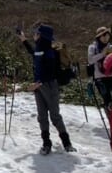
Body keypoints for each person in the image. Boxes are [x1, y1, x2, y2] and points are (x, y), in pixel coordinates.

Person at [19, 23, 75, 155]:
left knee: (54, 116)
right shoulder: (40, 48)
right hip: (40, 86)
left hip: (49, 86)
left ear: (41, 35)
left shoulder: (49, 51)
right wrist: (24, 40)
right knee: (42, 116)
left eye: (36, 33)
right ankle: (46, 143)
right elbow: (33, 53)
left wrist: (36, 85)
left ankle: (67, 143)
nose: (34, 35)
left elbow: (49, 72)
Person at [88, 26, 112, 105]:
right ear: (98, 37)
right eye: (102, 35)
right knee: (107, 99)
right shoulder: (92, 47)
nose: (105, 37)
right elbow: (90, 60)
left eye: (107, 35)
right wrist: (103, 54)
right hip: (100, 77)